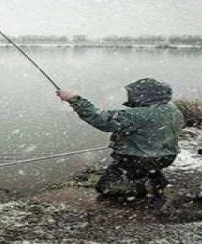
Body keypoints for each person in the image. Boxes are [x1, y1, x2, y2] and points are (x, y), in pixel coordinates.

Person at [57, 78, 184, 207]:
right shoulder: (172, 110)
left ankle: (140, 189)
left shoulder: (140, 114)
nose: (131, 97)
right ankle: (153, 179)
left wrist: (73, 99)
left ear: (146, 96)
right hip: (166, 157)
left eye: (135, 94)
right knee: (146, 167)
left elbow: (101, 119)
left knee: (105, 187)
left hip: (140, 159)